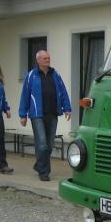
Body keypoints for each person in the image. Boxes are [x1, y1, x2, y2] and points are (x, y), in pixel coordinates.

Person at [18, 50, 71, 181]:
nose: (47, 60)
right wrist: (23, 114)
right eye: (45, 58)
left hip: (52, 113)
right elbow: (25, 95)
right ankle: (44, 172)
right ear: (38, 60)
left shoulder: (55, 74)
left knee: (49, 144)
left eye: (48, 58)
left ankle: (38, 164)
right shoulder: (31, 75)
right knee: (42, 144)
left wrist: (67, 108)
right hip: (37, 114)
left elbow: (63, 91)